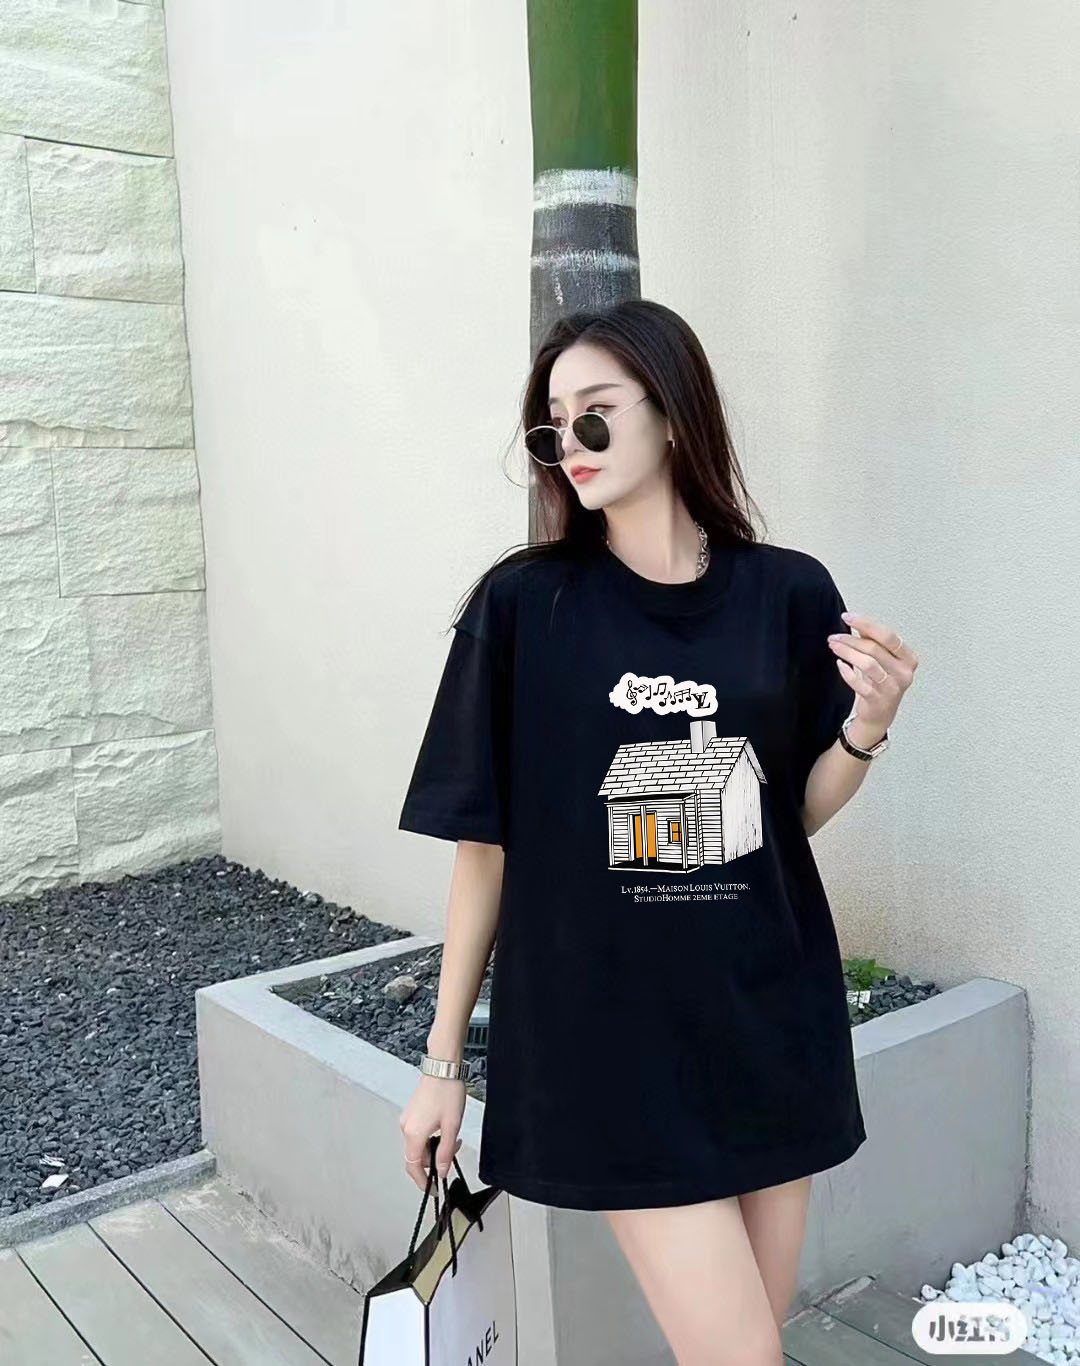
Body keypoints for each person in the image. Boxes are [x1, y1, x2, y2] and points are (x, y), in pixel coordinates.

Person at [395, 298, 918, 1364]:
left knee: (744, 1344)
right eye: (553, 426)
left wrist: (865, 726)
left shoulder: (786, 591)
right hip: (612, 1045)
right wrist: (443, 1063)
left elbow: (782, 818)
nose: (571, 443)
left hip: (767, 1019)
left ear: (673, 414)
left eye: (596, 413)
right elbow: (484, 847)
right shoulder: (525, 607)